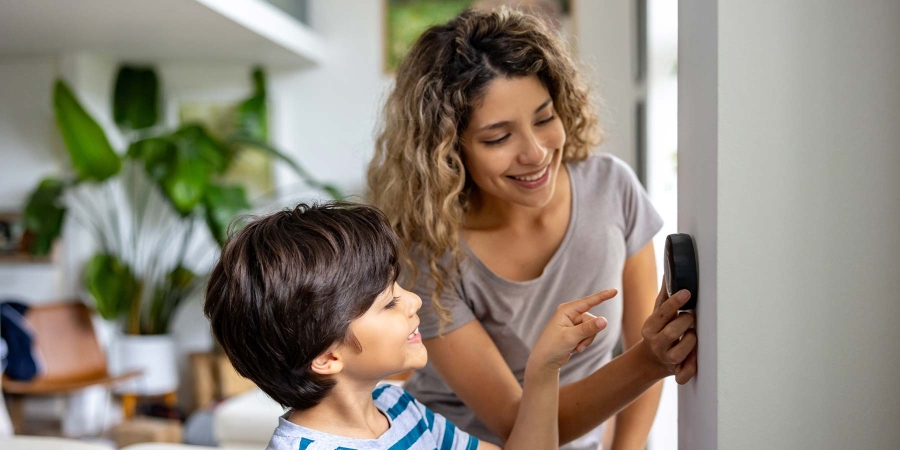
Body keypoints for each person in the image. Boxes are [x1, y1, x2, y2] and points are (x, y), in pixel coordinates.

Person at [367, 7, 697, 450]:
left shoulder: (610, 188)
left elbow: (643, 339)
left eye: (544, 118)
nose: (536, 153)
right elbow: (512, 423)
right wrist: (649, 361)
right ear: (448, 150)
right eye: (498, 138)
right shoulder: (429, 250)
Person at [205, 202, 692, 449]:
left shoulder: (396, 407)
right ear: (328, 357)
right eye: (389, 303)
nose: (414, 301)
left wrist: (544, 367)